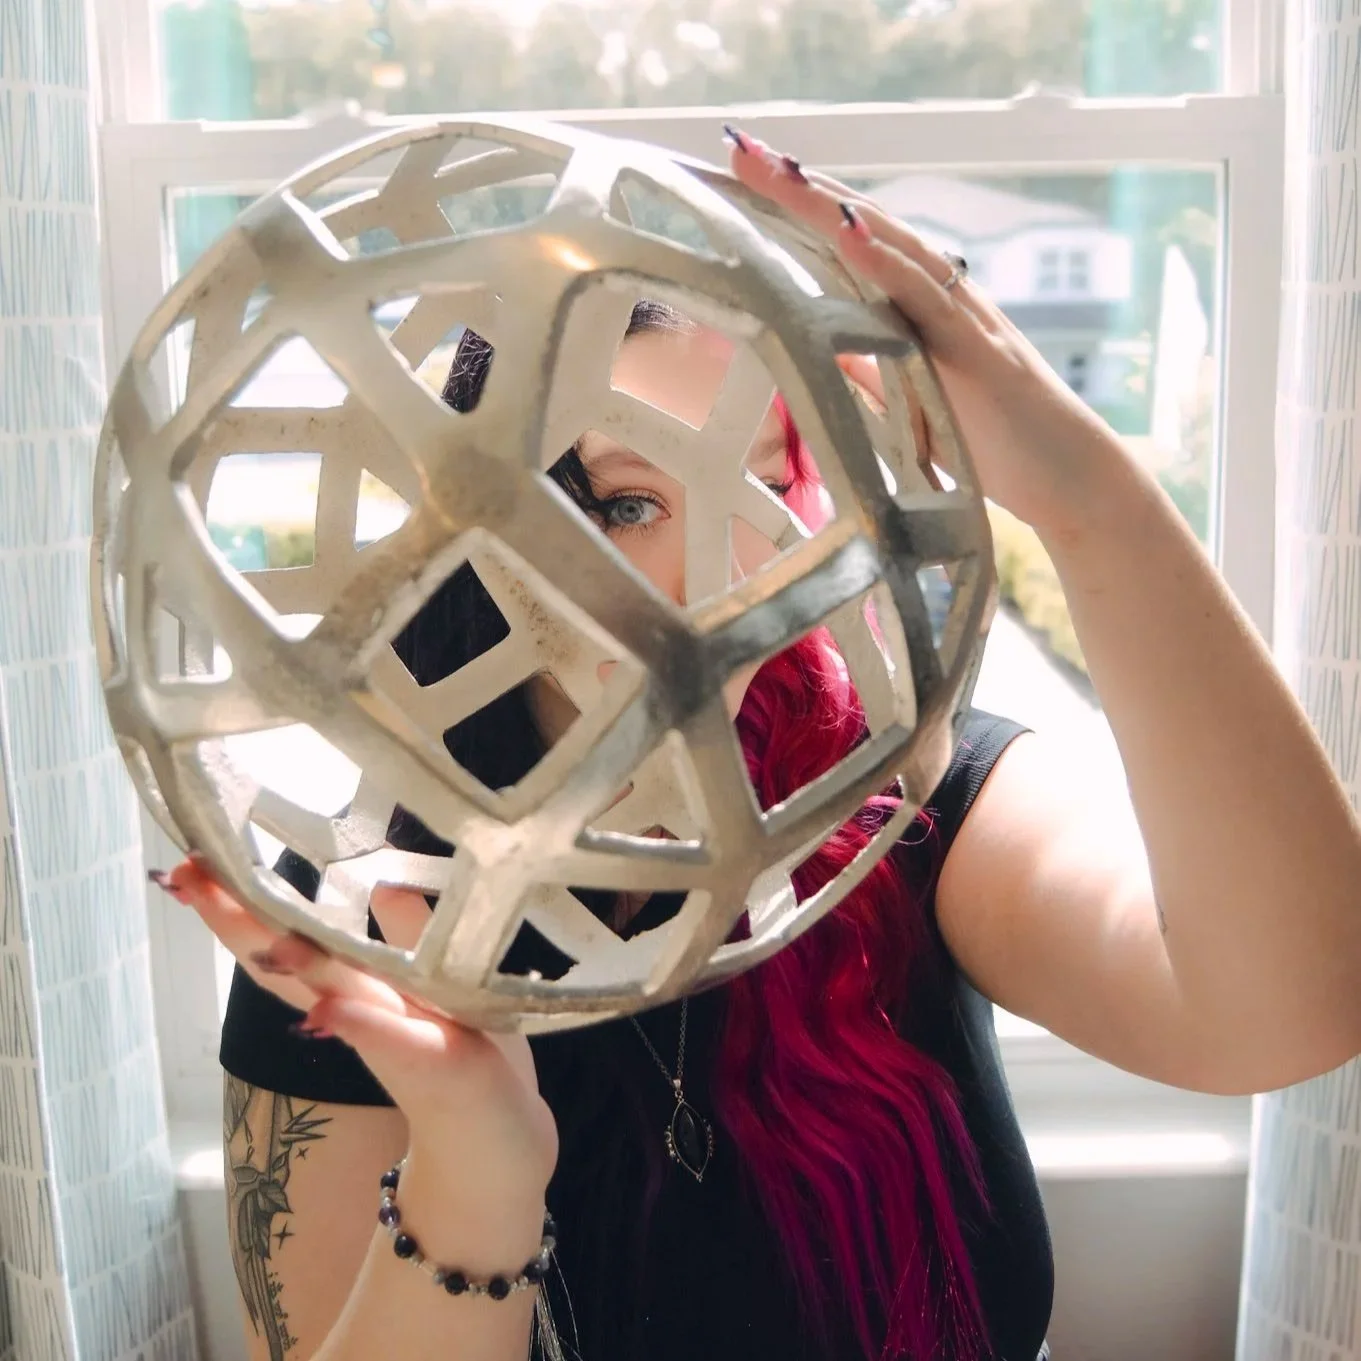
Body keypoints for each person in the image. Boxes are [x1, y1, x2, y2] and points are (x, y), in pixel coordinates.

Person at [156, 128, 1361, 1361]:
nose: (726, 582)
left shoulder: (907, 798)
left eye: (765, 488)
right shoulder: (355, 919)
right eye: (630, 502)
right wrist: (475, 1169)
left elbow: (1287, 1011)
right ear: (476, 525)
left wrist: (1089, 504)